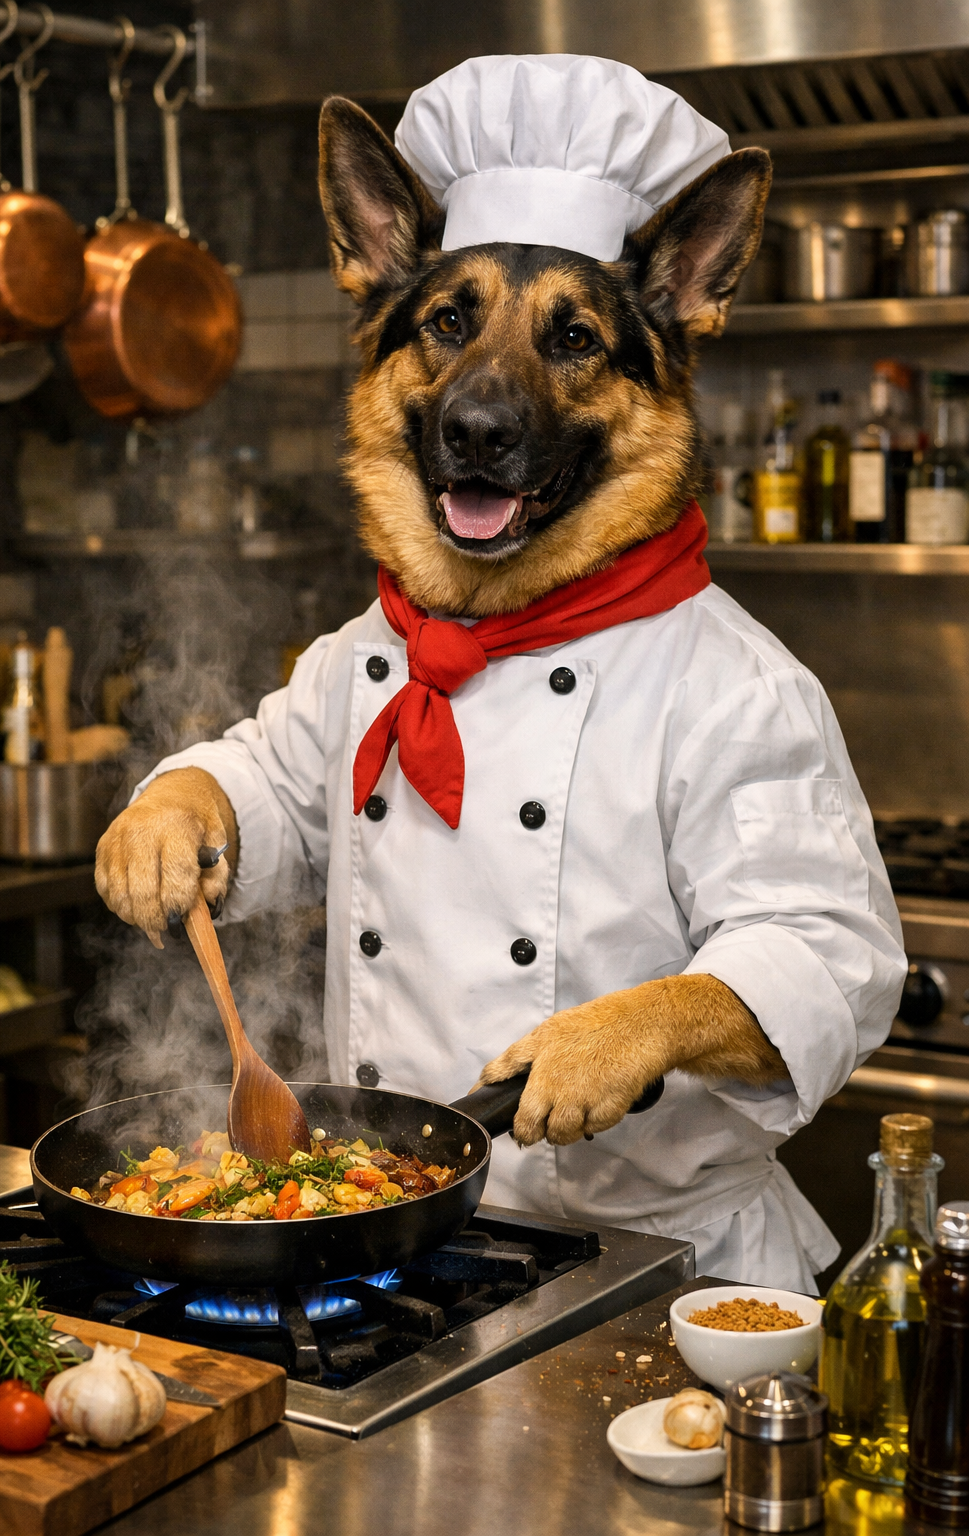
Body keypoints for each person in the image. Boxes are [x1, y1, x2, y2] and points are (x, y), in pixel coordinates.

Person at [96, 55, 905, 1292]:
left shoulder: (728, 683)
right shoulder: (366, 654)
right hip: (401, 1250)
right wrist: (181, 803)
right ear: (382, 338)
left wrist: (647, 1024)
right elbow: (267, 784)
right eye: (450, 327)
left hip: (660, 1276)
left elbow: (833, 959)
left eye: (570, 342)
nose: (485, 401)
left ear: (670, 355)